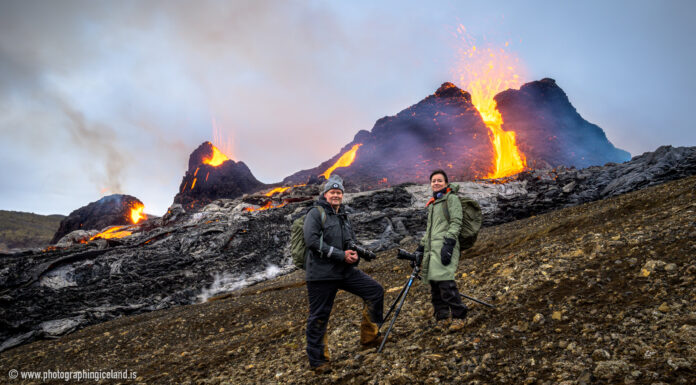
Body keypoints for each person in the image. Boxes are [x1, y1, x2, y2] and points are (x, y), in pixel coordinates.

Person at [303, 174, 384, 371]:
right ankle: (319, 360)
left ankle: (369, 337)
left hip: (344, 270)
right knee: (319, 315)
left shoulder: (342, 214)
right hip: (321, 275)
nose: (336, 195)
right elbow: (312, 242)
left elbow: (348, 240)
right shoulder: (316, 213)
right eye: (333, 192)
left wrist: (354, 253)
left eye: (339, 192)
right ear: (326, 194)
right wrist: (341, 255)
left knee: (375, 291)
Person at [416, 169, 468, 332]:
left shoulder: (451, 199)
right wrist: (421, 247)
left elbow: (456, 222)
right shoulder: (433, 204)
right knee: (435, 285)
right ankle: (442, 317)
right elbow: (430, 229)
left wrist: (449, 243)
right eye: (433, 181)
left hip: (445, 246)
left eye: (439, 180)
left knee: (445, 282)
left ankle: (460, 317)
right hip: (432, 250)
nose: (436, 183)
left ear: (446, 183)